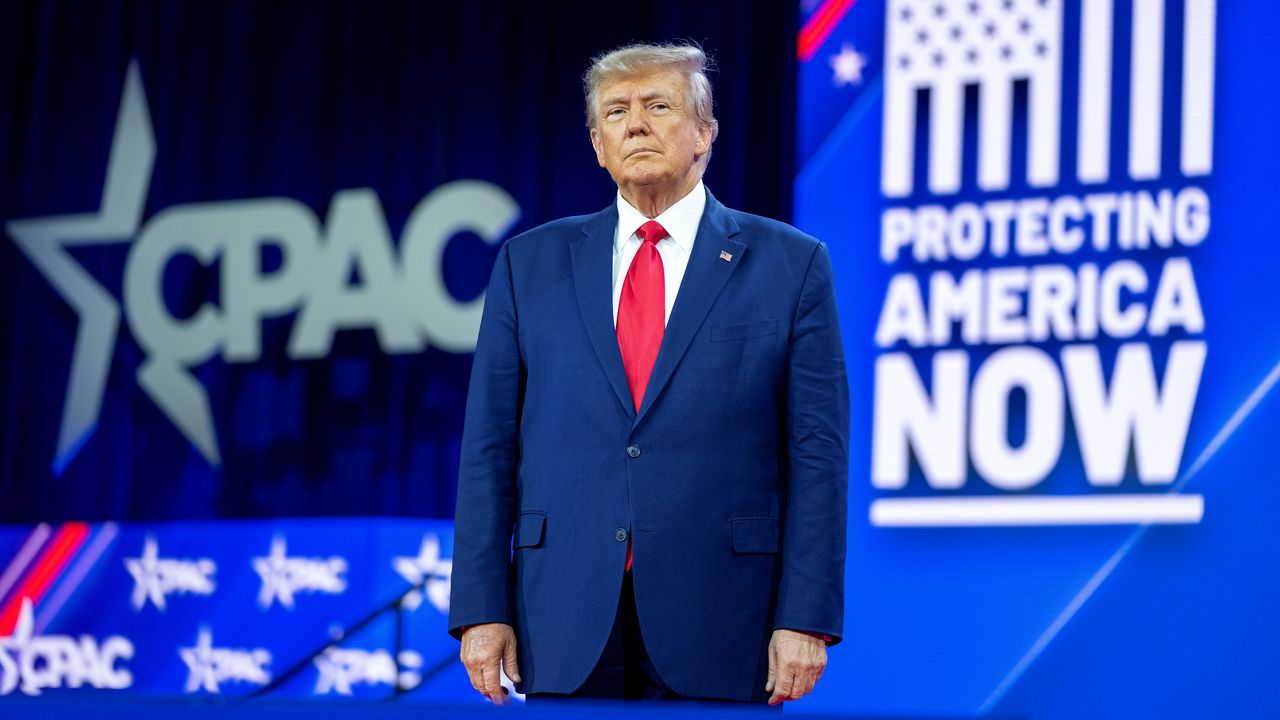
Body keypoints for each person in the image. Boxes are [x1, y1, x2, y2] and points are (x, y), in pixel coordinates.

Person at [448, 41, 849, 706]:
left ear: (704, 134)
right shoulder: (528, 264)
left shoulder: (791, 264)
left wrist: (805, 617)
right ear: (599, 143)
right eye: (615, 113)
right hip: (562, 620)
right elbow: (489, 450)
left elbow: (818, 456)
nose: (634, 124)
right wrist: (482, 609)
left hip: (728, 621)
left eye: (657, 105)